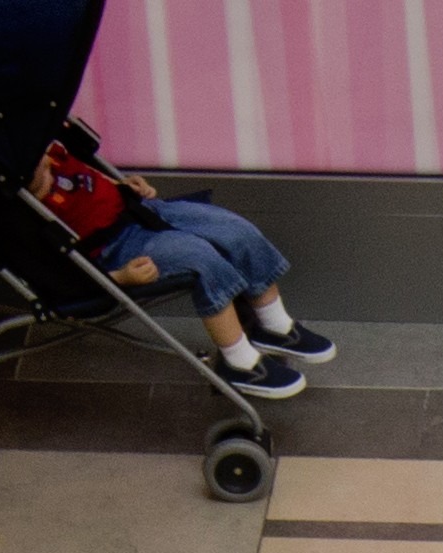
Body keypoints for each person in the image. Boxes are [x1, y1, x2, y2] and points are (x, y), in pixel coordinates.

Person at [31, 126, 333, 400]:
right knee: (201, 259)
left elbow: (87, 180)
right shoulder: (32, 194)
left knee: (237, 231)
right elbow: (57, 265)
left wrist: (122, 184)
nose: (47, 160)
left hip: (143, 209)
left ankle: (275, 325)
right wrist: (118, 277)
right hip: (117, 248)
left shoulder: (53, 148)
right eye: (38, 163)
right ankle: (238, 362)